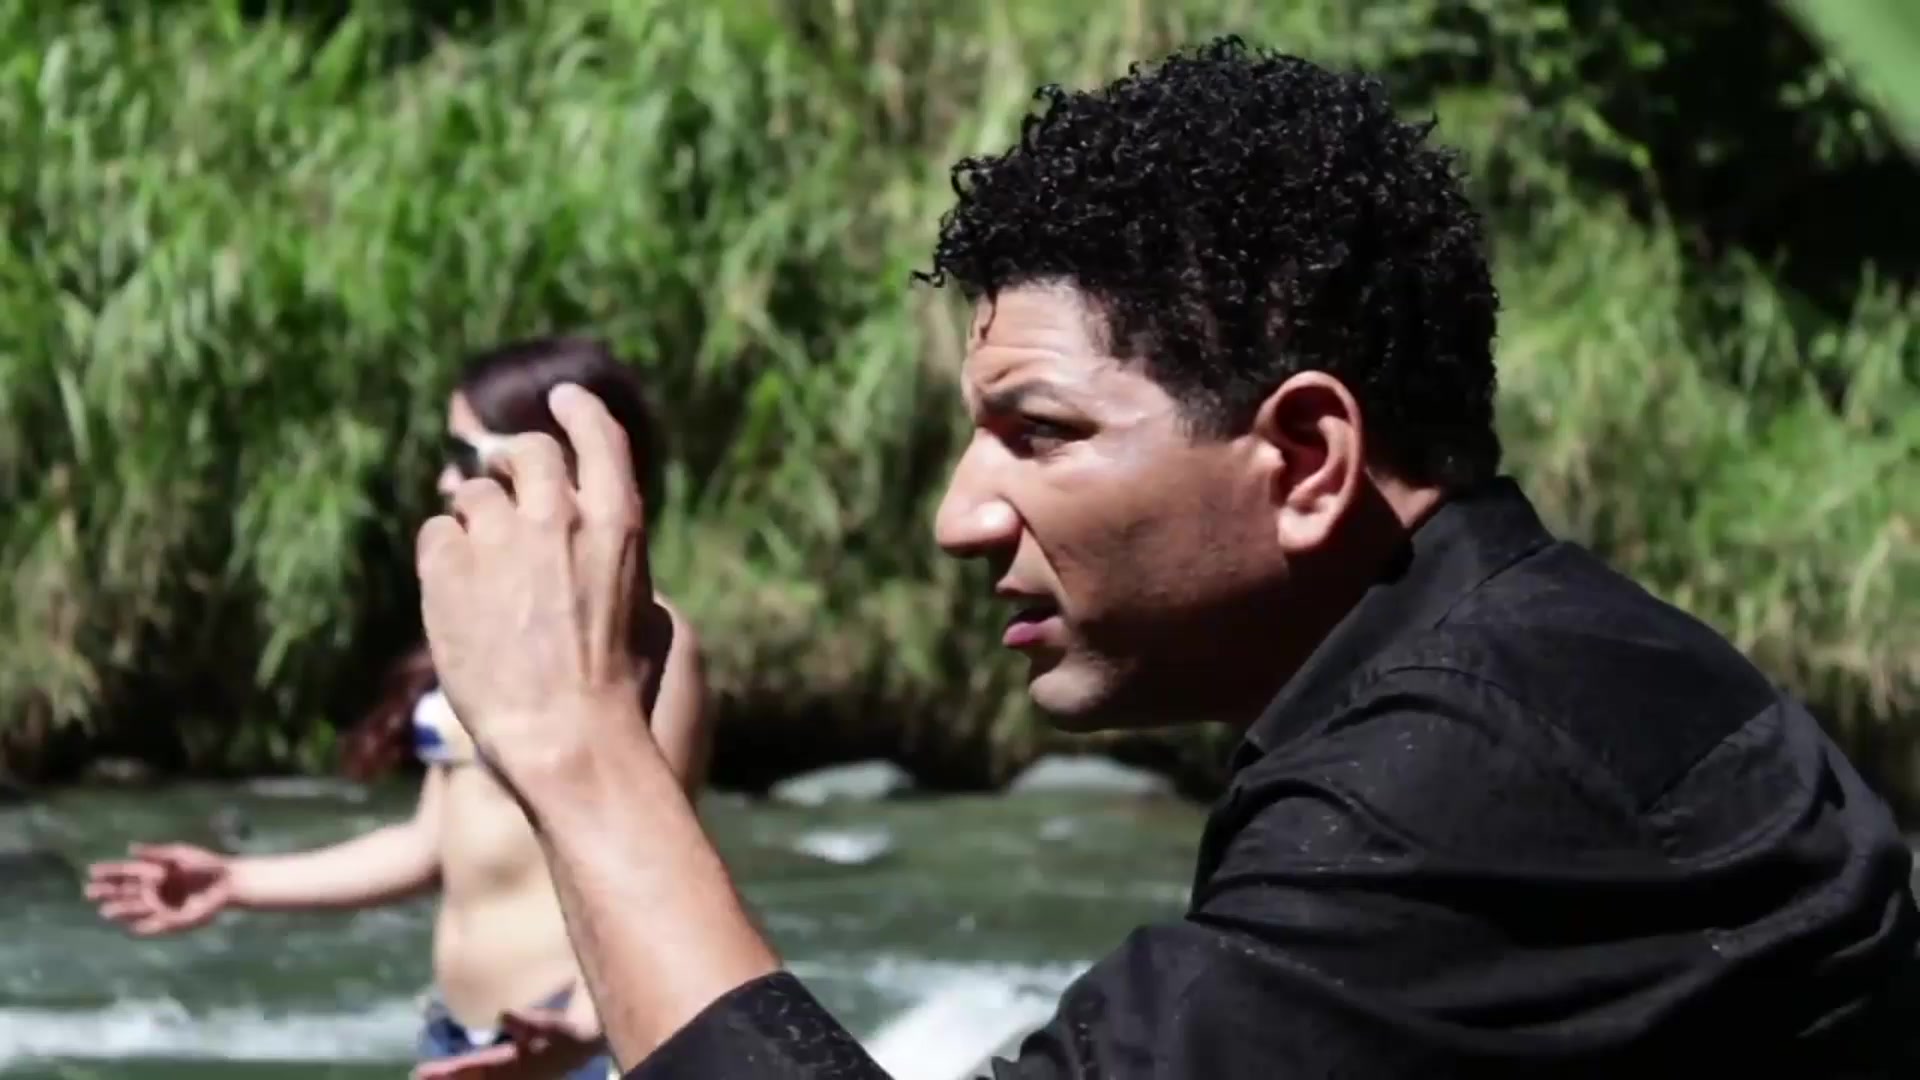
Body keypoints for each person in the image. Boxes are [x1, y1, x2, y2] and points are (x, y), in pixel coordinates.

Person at [411, 37, 1919, 1080]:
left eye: (1039, 431)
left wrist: (583, 755)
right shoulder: (1530, 667)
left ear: (1307, 457)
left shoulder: (1463, 780)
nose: (960, 516)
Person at [83, 336, 711, 1080]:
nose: (446, 480)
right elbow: (427, 846)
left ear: (558, 460)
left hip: (573, 1044)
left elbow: (653, 871)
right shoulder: (497, 626)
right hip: (465, 1038)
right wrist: (237, 881)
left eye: (465, 454)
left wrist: (581, 1026)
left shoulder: (648, 641)